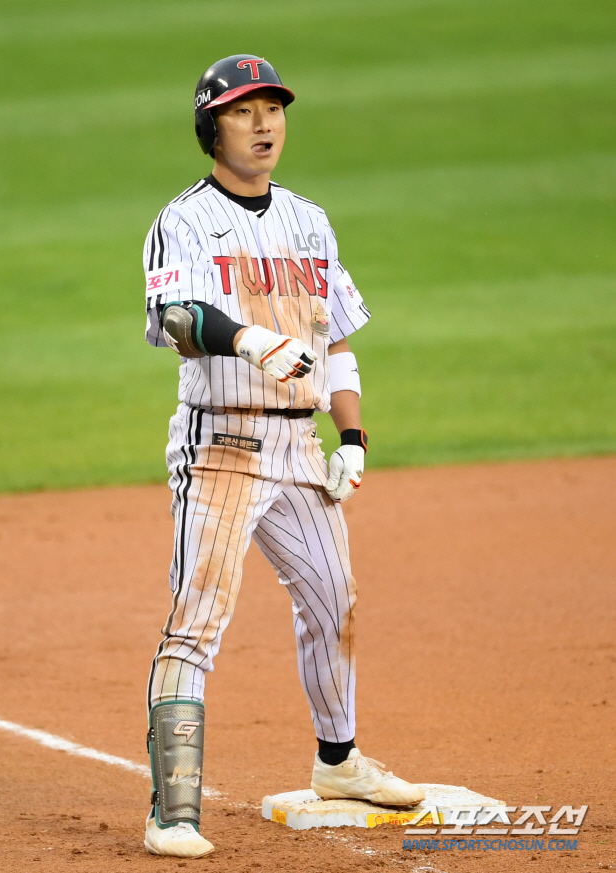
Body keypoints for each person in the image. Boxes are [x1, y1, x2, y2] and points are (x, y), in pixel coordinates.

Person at [142, 54, 424, 859]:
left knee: (335, 600)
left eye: (273, 108)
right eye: (243, 111)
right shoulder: (186, 220)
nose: (264, 124)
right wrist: (249, 337)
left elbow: (333, 343)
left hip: (298, 446)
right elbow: (177, 318)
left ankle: (338, 763)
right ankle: (173, 809)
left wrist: (355, 440)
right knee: (196, 624)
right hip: (223, 446)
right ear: (211, 128)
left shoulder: (310, 220)